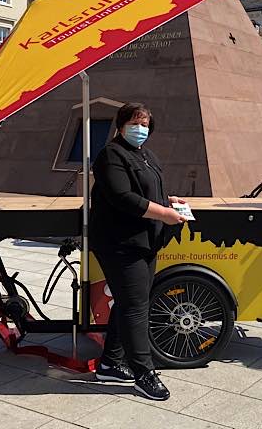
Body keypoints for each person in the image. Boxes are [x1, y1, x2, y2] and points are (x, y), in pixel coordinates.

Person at [89, 103, 187, 401]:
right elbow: (124, 197)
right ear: (120, 125)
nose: (140, 128)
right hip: (119, 243)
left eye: (144, 123)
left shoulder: (146, 154)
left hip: (144, 241)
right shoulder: (110, 155)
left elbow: (148, 190)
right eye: (134, 122)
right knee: (135, 307)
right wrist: (164, 214)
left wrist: (168, 201)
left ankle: (109, 363)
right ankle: (143, 373)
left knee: (132, 301)